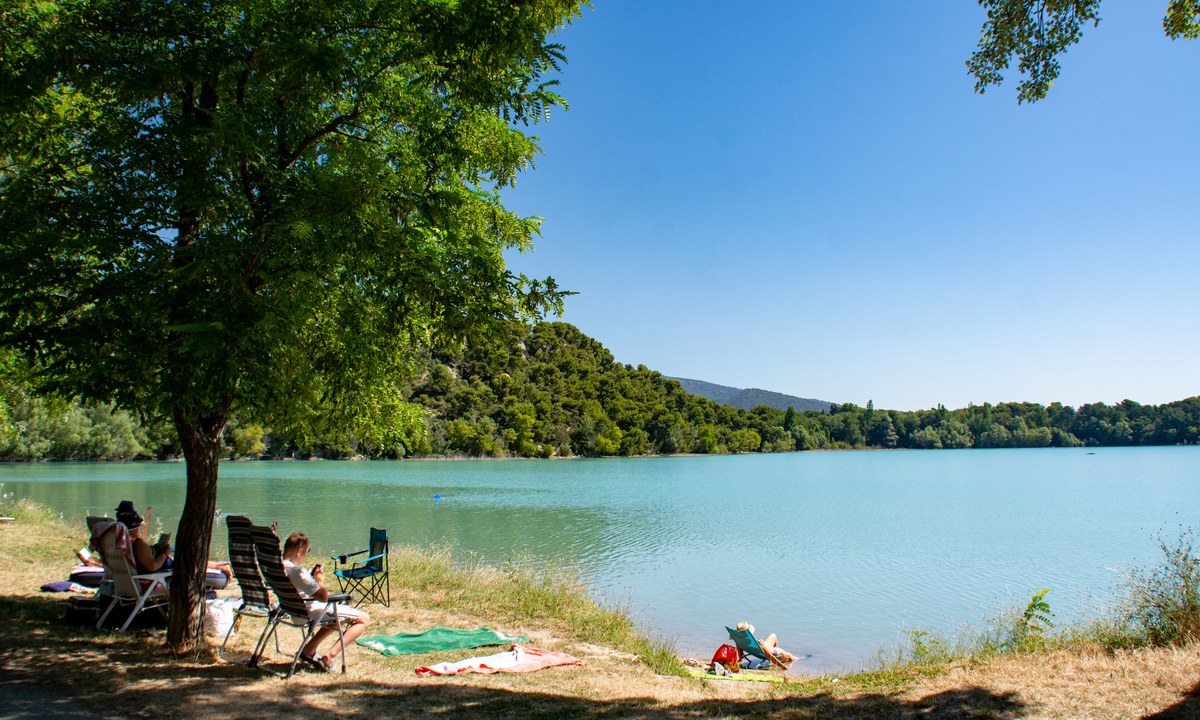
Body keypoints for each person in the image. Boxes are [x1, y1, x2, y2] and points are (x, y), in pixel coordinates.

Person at [282, 531, 371, 673]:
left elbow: (300, 585)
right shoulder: (298, 571)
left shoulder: (278, 567)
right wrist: (318, 580)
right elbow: (323, 597)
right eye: (305, 554)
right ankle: (329, 656)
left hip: (291, 610)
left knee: (336, 618)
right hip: (309, 612)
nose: (304, 558)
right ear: (299, 551)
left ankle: (309, 649)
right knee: (364, 619)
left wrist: (309, 578)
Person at [114, 501, 233, 579]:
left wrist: (156, 550)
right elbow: (153, 566)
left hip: (139, 575)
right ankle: (220, 567)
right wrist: (165, 553)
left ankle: (218, 564)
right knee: (187, 562)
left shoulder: (120, 543)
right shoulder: (137, 544)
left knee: (185, 559)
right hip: (159, 574)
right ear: (136, 527)